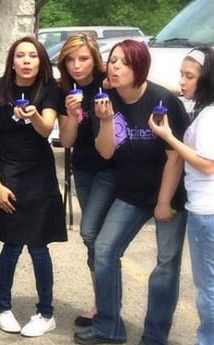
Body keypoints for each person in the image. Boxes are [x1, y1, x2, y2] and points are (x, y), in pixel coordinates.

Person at [73, 39, 189, 345]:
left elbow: (175, 156)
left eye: (122, 62)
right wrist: (106, 119)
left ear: (139, 68)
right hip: (131, 191)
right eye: (112, 61)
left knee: (166, 264)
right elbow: (106, 152)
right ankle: (109, 327)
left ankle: (154, 336)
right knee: (104, 249)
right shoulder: (107, 98)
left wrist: (164, 202)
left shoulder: (162, 101)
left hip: (170, 191)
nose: (114, 67)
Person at [0, 36, 66, 337]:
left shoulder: (50, 88)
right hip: (8, 172)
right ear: (12, 60)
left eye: (33, 55)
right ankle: (3, 308)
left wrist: (34, 115)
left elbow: (46, 130)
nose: (27, 61)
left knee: (39, 247)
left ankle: (46, 312)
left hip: (40, 174)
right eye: (21, 55)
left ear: (41, 60)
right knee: (12, 245)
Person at [149, 46, 214, 345]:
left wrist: (168, 137)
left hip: (206, 210)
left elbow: (207, 165)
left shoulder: (210, 115)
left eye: (190, 76)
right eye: (181, 75)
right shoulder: (204, 110)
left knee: (209, 289)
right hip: (205, 209)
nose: (183, 81)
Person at [55, 33, 113, 327]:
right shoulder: (65, 88)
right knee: (95, 241)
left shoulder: (108, 81)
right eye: (70, 59)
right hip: (84, 168)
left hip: (113, 168)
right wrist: (71, 112)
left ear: (95, 58)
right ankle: (101, 303)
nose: (77, 66)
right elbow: (66, 141)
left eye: (83, 58)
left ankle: (106, 304)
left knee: (92, 234)